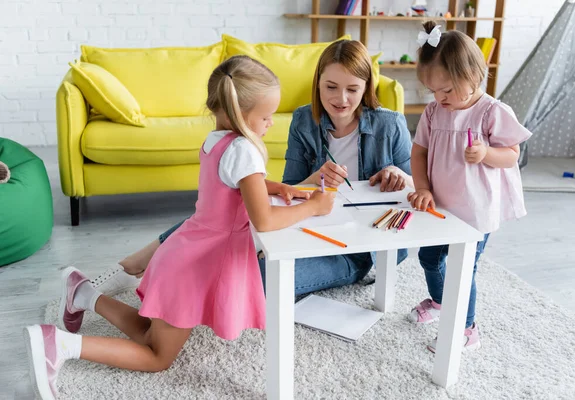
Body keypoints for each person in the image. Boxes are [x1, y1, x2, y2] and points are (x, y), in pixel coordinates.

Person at [23, 55, 336, 400]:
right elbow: (264, 220)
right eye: (265, 117)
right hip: (193, 269)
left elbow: (233, 185)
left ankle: (83, 293)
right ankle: (61, 345)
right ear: (241, 114)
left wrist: (278, 188)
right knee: (157, 357)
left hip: (185, 254)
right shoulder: (245, 150)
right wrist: (313, 206)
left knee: (149, 334)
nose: (269, 124)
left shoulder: (217, 139)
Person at [91, 39, 414, 298]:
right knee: (213, 217)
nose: (340, 99)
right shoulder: (305, 120)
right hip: (308, 228)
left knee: (255, 279)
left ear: (366, 87)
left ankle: (175, 283)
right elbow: (289, 188)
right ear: (317, 84)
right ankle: (132, 266)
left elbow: (414, 193)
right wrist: (314, 180)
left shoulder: (391, 124)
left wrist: (402, 178)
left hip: (361, 247)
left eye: (352, 89)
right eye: (330, 87)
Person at [406, 22, 531, 352]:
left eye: (446, 90)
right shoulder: (434, 112)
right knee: (430, 259)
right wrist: (422, 188)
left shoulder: (491, 112)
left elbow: (511, 156)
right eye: (433, 90)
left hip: (475, 210)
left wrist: (487, 153)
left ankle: (467, 327)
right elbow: (418, 152)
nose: (439, 98)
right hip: (439, 206)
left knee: (464, 269)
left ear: (473, 76)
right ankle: (440, 303)